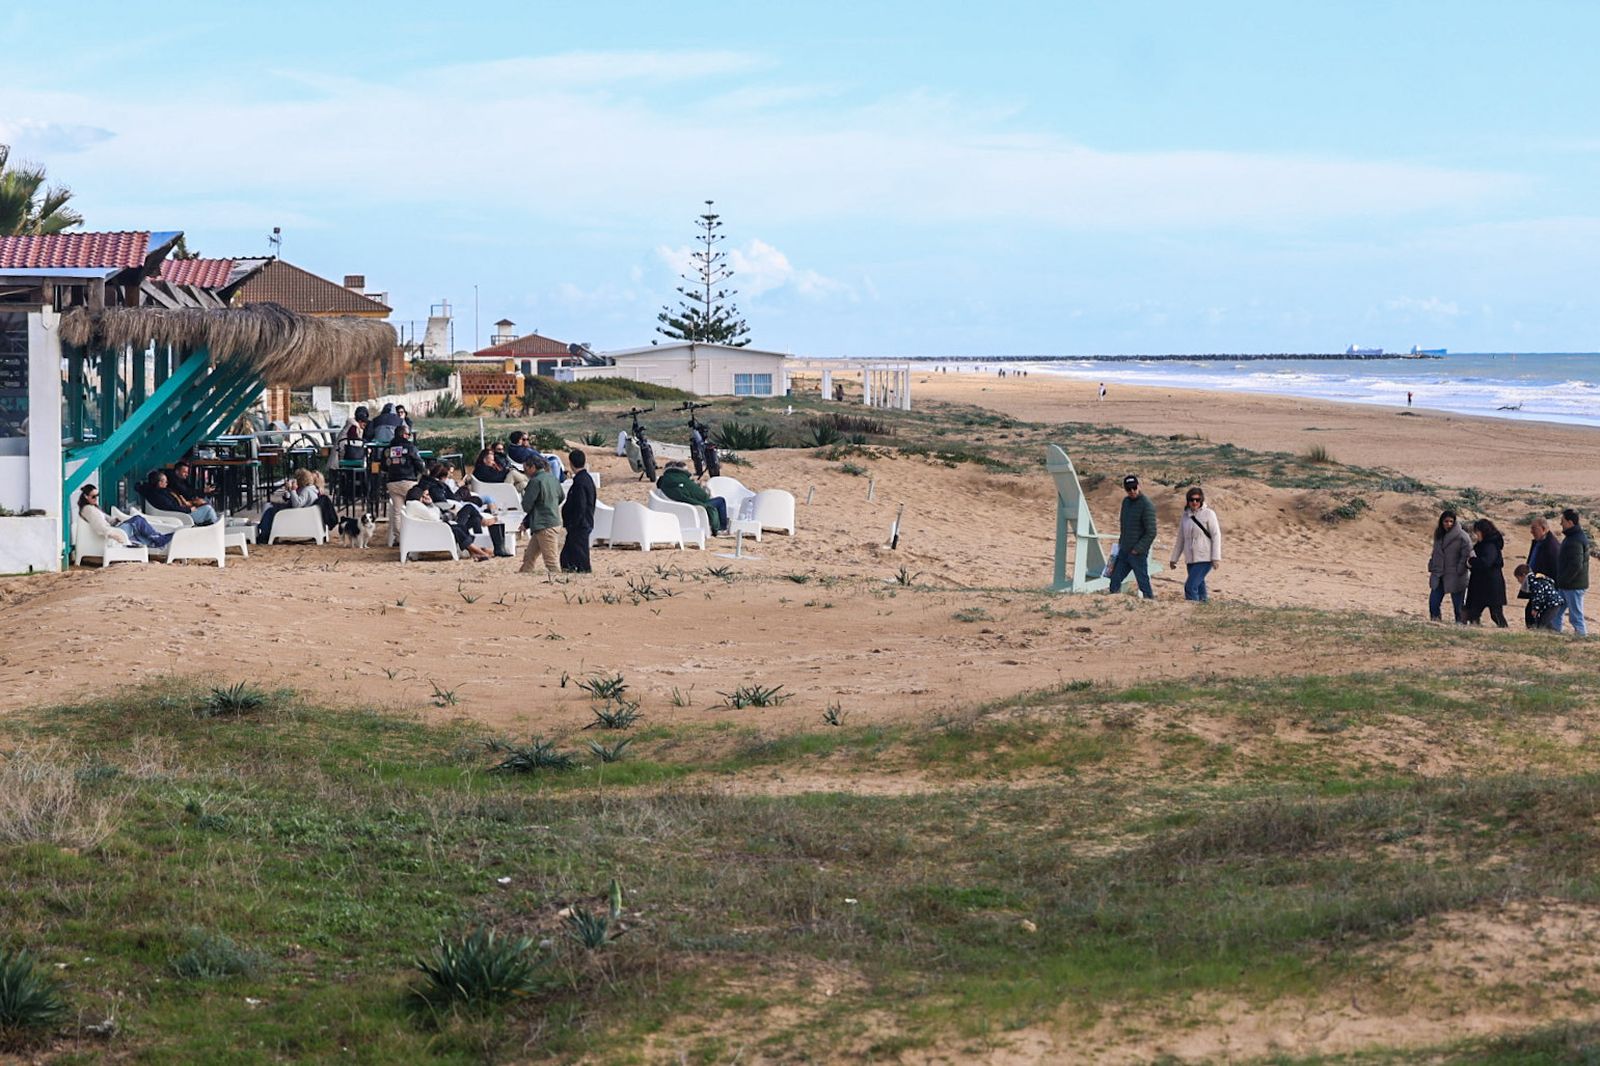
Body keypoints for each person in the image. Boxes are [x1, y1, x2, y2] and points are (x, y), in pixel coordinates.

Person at [417, 462, 511, 557]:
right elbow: (443, 504)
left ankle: (482, 547)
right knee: (469, 507)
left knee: (475, 519)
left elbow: (450, 498)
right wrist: (453, 507)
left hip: (450, 515)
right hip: (449, 518)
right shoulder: (436, 488)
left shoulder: (432, 485)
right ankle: (484, 526)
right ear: (442, 477)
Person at [403, 484, 492, 560]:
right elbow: (434, 517)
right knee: (459, 527)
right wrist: (431, 505)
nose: (427, 497)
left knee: (461, 526)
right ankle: (479, 551)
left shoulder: (414, 505)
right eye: (425, 495)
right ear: (419, 496)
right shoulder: (416, 505)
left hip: (434, 528)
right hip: (435, 530)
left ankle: (476, 551)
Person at [76, 485, 172, 551]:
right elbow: (99, 526)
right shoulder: (88, 509)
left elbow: (107, 519)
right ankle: (159, 540)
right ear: (85, 497)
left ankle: (156, 541)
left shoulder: (92, 507)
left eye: (98, 496)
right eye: (93, 496)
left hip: (114, 528)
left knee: (137, 522)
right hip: (113, 533)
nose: (96, 498)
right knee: (138, 520)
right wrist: (113, 534)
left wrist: (116, 520)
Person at [1169, 486, 1222, 602]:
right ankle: (1203, 609)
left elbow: (1216, 535)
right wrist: (1174, 559)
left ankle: (1191, 610)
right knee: (1199, 586)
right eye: (1192, 500)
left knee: (1190, 586)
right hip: (1190, 559)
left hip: (1205, 558)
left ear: (1201, 500)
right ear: (1188, 501)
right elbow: (1181, 539)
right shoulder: (1185, 516)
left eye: (1197, 500)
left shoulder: (1209, 514)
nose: (1194, 502)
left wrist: (1216, 558)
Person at [1108, 474, 1156, 598]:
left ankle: (1150, 605)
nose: (1132, 491)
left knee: (1143, 582)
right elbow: (1124, 526)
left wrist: (1137, 549)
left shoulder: (1146, 505)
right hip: (1124, 550)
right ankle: (1114, 604)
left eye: (1134, 488)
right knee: (1114, 579)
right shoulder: (1126, 502)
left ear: (1139, 486)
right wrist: (1121, 543)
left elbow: (1151, 532)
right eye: (1129, 489)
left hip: (1137, 553)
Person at [518, 455, 563, 577]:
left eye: (526, 468)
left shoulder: (535, 481)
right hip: (550, 522)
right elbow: (561, 496)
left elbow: (527, 506)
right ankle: (523, 577)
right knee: (529, 557)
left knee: (551, 561)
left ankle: (561, 585)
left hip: (544, 524)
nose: (525, 471)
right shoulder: (552, 478)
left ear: (532, 467)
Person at [656, 460, 726, 533]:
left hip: (677, 507)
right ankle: (722, 528)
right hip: (693, 507)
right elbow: (703, 496)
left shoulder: (664, 481)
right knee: (720, 501)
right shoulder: (683, 480)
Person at [1427, 509, 1472, 623]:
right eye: (1446, 521)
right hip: (1439, 574)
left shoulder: (1462, 536)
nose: (1448, 524)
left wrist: (1460, 569)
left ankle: (1460, 625)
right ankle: (1435, 622)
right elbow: (1435, 552)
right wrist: (1432, 564)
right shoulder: (1439, 535)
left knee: (1458, 606)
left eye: (1451, 521)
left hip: (1456, 575)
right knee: (1434, 602)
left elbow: (1467, 554)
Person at [1463, 518, 1509, 627]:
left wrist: (1472, 561)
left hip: (1490, 585)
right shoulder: (1486, 544)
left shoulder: (1489, 545)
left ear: (1482, 531)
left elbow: (1486, 562)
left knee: (1495, 614)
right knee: (1474, 613)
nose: (1476, 535)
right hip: (1483, 584)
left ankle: (1504, 630)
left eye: (1477, 532)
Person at [257, 468, 321, 542]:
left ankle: (265, 534)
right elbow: (291, 499)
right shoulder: (309, 489)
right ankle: (266, 532)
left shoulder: (306, 490)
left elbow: (297, 504)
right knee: (269, 506)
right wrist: (289, 490)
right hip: (300, 513)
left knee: (270, 511)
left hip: (297, 515)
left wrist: (293, 490)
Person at [1521, 517, 1563, 626]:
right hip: (1536, 584)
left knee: (1539, 617)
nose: (1531, 531)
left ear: (1543, 529)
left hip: (1544, 587)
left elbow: (1555, 570)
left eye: (1534, 528)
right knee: (1532, 614)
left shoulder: (1551, 546)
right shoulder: (1539, 542)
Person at [1554, 508, 1590, 636]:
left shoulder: (1575, 539)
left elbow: (1576, 564)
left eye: (1562, 521)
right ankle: (1554, 633)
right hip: (1568, 584)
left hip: (1573, 585)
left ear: (1570, 522)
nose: (1561, 524)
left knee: (1575, 615)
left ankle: (1581, 637)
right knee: (1557, 611)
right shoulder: (1573, 537)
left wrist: (1564, 580)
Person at [559, 449, 596, 572]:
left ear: (571, 463)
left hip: (580, 524)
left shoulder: (580, 481)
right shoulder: (586, 479)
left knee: (580, 553)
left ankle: (582, 571)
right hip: (581, 522)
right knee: (568, 554)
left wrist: (574, 522)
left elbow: (580, 504)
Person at [381, 424, 426, 521]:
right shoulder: (410, 447)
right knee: (414, 509)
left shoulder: (388, 449)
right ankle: (413, 533)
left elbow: (383, 467)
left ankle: (399, 536)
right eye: (408, 435)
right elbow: (419, 463)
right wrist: (423, 472)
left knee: (397, 512)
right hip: (408, 482)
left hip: (392, 483)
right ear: (404, 435)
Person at [142, 470, 219, 525]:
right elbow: (172, 507)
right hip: (180, 515)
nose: (167, 483)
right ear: (160, 483)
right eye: (165, 481)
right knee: (208, 509)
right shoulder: (159, 495)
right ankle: (215, 526)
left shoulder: (160, 491)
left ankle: (211, 523)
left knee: (205, 505)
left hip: (181, 511)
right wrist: (189, 509)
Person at [1514, 564, 1564, 630]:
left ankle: (1555, 634)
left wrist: (1535, 609)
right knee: (1543, 622)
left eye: (1518, 578)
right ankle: (1554, 633)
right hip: (1550, 603)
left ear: (1523, 575)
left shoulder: (1534, 582)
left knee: (1543, 624)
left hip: (1553, 604)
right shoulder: (1535, 579)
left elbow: (1538, 596)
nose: (1518, 581)